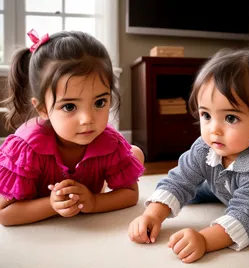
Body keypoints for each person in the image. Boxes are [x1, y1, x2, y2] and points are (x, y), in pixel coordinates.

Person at [128, 48, 249, 263]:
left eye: (230, 118)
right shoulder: (206, 146)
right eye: (206, 115)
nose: (214, 130)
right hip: (226, 183)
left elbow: (247, 216)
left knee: (241, 203)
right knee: (191, 187)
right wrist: (152, 215)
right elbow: (179, 180)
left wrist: (204, 239)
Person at [0, 29, 145, 226]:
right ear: (43, 109)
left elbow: (130, 195)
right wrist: (52, 205)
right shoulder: (26, 150)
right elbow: (5, 215)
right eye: (69, 106)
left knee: (134, 154)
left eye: (100, 103)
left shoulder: (110, 143)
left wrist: (94, 202)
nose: (87, 119)